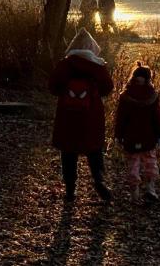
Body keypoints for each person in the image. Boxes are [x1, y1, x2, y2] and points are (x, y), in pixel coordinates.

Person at [48, 29, 114, 202]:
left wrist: (67, 93)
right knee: (94, 148)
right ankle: (99, 180)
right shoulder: (98, 65)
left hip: (67, 115)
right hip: (91, 114)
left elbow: (53, 86)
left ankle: (70, 190)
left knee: (68, 151)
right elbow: (108, 87)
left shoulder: (65, 64)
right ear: (92, 47)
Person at [114, 62, 160, 201]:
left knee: (133, 164)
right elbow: (157, 118)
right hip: (148, 136)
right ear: (148, 78)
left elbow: (120, 118)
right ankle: (150, 189)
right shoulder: (152, 95)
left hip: (130, 136)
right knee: (150, 162)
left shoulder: (126, 95)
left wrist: (118, 135)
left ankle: (134, 193)